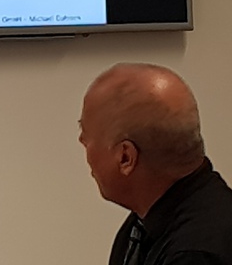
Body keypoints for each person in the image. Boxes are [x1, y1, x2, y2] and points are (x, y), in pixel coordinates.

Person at [79, 62, 232, 265]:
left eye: (86, 135)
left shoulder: (195, 254)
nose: (81, 141)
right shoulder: (145, 222)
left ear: (125, 157)